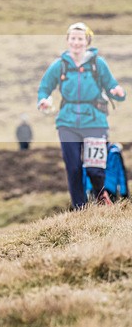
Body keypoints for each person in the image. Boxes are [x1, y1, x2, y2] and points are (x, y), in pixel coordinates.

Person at [37, 22, 125, 209]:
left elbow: (112, 86)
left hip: (95, 120)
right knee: (73, 167)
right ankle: (80, 208)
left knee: (94, 169)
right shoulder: (60, 65)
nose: (76, 42)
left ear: (87, 41)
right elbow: (45, 87)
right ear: (67, 40)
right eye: (73, 38)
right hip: (67, 123)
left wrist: (117, 92)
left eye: (80, 38)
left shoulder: (98, 64)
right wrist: (43, 100)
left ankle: (101, 195)